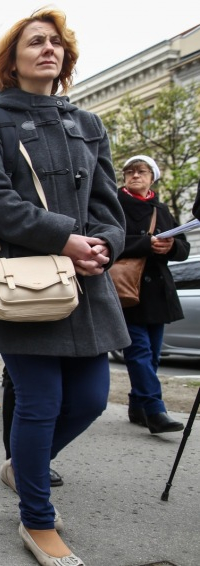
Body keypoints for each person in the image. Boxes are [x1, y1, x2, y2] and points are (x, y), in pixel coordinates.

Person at [0, 10, 130, 565]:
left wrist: (104, 245)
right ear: (12, 61)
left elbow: (107, 203)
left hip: (86, 282)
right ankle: (37, 519)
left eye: (56, 42)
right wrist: (65, 238)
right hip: (26, 282)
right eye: (35, 42)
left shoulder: (88, 123)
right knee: (40, 403)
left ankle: (23, 466)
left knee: (91, 399)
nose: (48, 49)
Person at [116, 155, 190, 434]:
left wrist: (170, 247)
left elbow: (183, 248)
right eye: (129, 171)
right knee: (139, 352)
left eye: (141, 171)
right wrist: (146, 244)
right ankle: (155, 410)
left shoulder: (161, 208)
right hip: (127, 290)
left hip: (157, 293)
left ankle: (137, 406)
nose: (135, 175)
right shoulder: (114, 204)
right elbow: (107, 240)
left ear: (152, 177)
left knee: (153, 356)